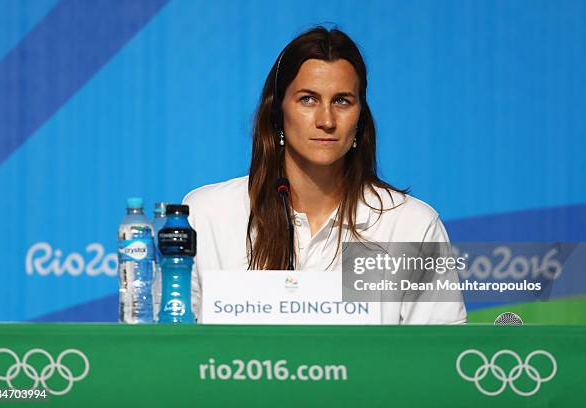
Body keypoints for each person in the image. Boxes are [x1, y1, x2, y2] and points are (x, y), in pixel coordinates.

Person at [183, 26, 466, 324]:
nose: (327, 120)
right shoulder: (207, 215)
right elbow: (166, 349)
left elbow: (439, 359)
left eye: (342, 101)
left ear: (360, 116)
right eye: (308, 99)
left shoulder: (411, 225)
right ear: (278, 113)